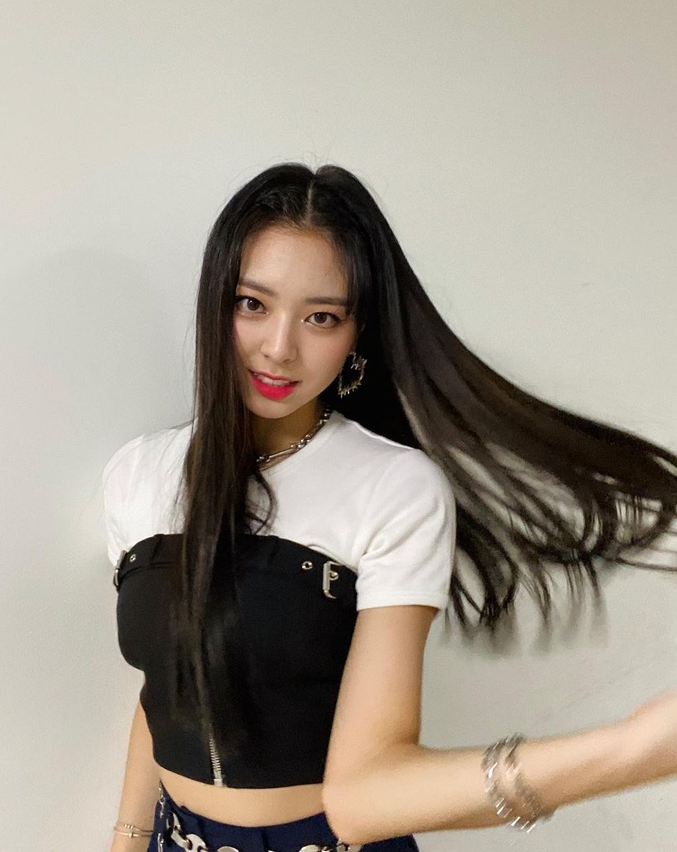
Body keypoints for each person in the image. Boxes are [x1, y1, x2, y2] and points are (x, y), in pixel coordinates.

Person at [102, 163, 677, 852]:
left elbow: (362, 800)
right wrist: (127, 839)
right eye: (252, 304)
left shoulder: (394, 488)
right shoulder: (139, 474)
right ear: (215, 302)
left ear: (357, 333)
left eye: (321, 317)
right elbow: (163, 689)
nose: (279, 347)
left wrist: (630, 749)